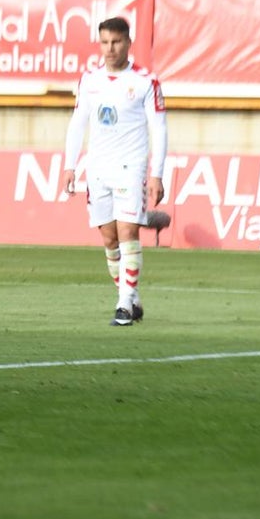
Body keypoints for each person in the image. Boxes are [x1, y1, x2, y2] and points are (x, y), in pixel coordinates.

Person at [63, 16, 168, 326]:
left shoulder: (146, 81)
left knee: (127, 232)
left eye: (116, 42)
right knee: (109, 239)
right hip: (98, 168)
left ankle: (123, 305)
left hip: (131, 167)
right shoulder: (89, 80)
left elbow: (159, 128)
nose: (110, 49)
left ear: (128, 43)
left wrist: (156, 174)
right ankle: (131, 298)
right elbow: (77, 123)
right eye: (105, 42)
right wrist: (70, 166)